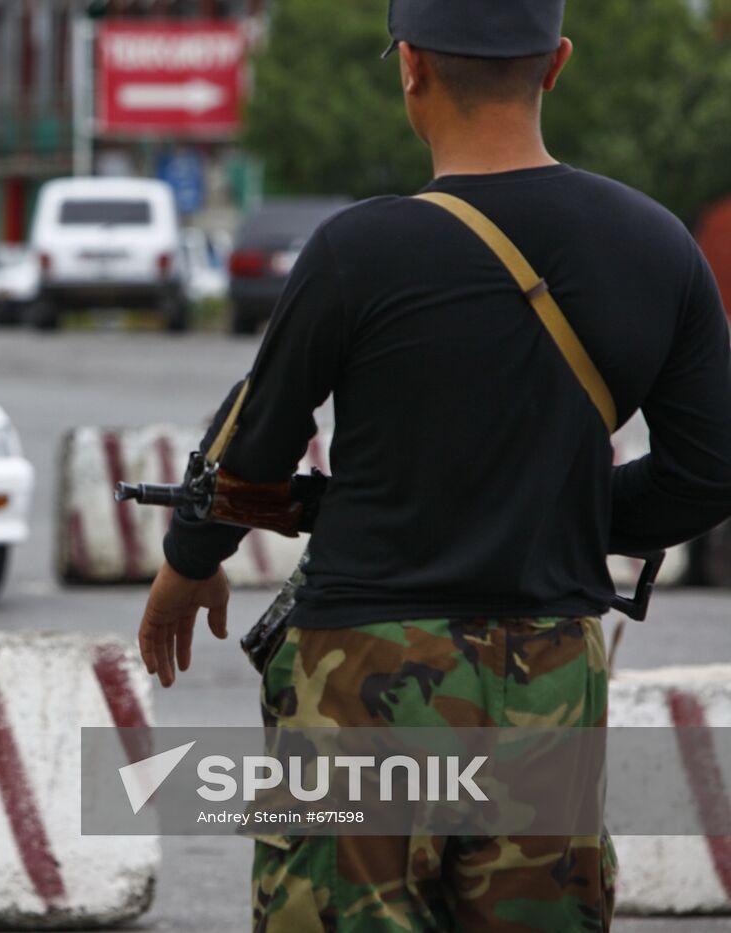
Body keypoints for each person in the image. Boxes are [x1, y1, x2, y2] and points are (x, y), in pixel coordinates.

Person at [135, 0, 731, 929]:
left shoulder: (355, 251)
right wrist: (554, 512)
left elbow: (253, 447)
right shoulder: (658, 245)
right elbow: (711, 468)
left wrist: (189, 561)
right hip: (550, 673)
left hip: (363, 675)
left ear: (409, 67)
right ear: (557, 63)